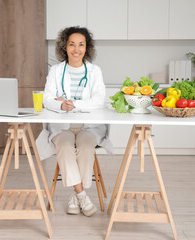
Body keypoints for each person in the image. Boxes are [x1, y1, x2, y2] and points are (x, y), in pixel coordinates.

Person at [36, 26, 112, 217]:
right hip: (62, 125)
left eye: (81, 45)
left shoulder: (94, 71)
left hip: (89, 126)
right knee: (64, 144)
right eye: (72, 44)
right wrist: (60, 106)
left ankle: (75, 195)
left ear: (87, 48)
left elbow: (98, 100)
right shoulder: (56, 70)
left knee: (86, 146)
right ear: (65, 46)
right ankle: (82, 195)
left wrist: (74, 104)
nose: (76, 49)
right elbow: (47, 98)